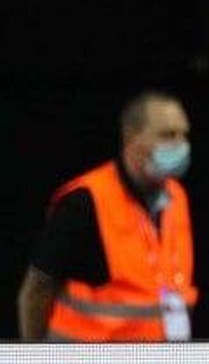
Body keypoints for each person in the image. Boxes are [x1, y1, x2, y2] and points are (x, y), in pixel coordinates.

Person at [18, 91, 197, 342]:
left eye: (183, 135)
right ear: (131, 137)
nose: (181, 144)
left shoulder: (177, 197)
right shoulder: (84, 201)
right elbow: (37, 290)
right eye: (167, 135)